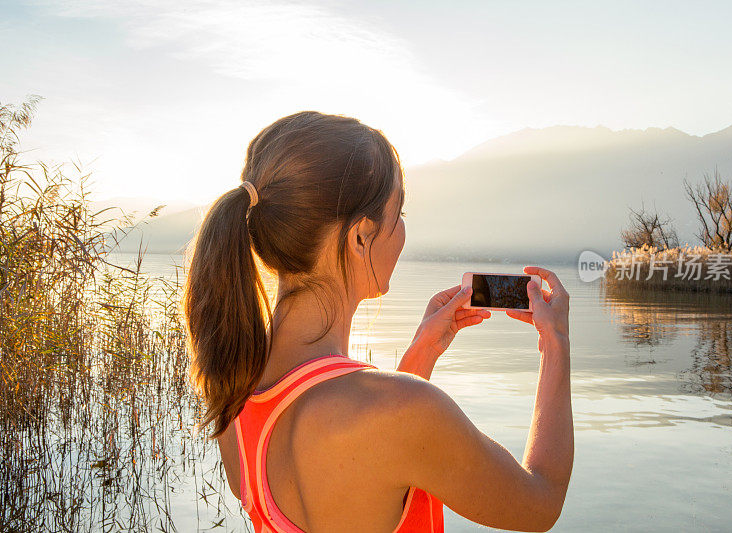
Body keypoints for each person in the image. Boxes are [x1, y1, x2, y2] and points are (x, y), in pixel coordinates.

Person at [181, 111, 573, 532]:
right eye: (398, 211)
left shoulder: (234, 397)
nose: (402, 229)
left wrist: (421, 353)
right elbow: (540, 502)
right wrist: (557, 344)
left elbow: (366, 464)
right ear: (360, 236)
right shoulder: (403, 411)